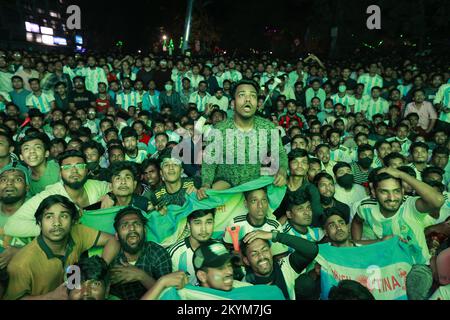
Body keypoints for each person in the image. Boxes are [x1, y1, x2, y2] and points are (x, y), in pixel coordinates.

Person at [4, 194, 116, 300]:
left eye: (64, 216)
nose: (56, 223)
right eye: (49, 217)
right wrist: (50, 297)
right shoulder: (21, 265)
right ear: (39, 223)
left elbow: (113, 240)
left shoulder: (77, 232)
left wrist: (99, 271)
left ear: (73, 221)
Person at [199, 79, 288, 200]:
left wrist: (282, 170)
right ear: (233, 103)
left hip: (254, 186)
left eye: (252, 96)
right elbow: (210, 162)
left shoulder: (267, 127)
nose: (248, 99)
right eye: (242, 95)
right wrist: (206, 184)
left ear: (257, 103)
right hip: (225, 186)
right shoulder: (219, 129)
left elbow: (280, 154)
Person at [4, 150, 111, 238]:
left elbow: (121, 187)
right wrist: (61, 227)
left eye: (79, 166)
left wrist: (111, 195)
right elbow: (11, 225)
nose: (74, 171)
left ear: (86, 170)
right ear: (60, 173)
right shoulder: (49, 196)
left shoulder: (97, 186)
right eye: (67, 167)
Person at [351, 167, 444, 263]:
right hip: (387, 265)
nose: (391, 198)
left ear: (403, 191)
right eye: (384, 191)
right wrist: (357, 244)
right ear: (374, 192)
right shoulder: (366, 207)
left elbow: (438, 201)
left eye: (396, 191)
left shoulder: (410, 205)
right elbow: (357, 222)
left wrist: (400, 174)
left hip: (417, 266)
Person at [109, 206, 172, 300]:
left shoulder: (157, 252)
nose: (131, 228)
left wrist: (141, 276)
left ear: (145, 231)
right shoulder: (111, 258)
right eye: (125, 225)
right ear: (117, 236)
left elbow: (168, 294)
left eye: (137, 224)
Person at [240, 228, 318, 300]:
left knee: (305, 282)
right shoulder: (245, 286)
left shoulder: (284, 266)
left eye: (265, 250)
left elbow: (311, 250)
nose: (261, 256)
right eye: (254, 254)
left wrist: (274, 235)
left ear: (271, 252)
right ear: (246, 261)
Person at [168, 209, 215, 285]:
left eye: (209, 222)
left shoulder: (219, 247)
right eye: (197, 223)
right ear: (189, 226)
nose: (204, 229)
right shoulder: (176, 253)